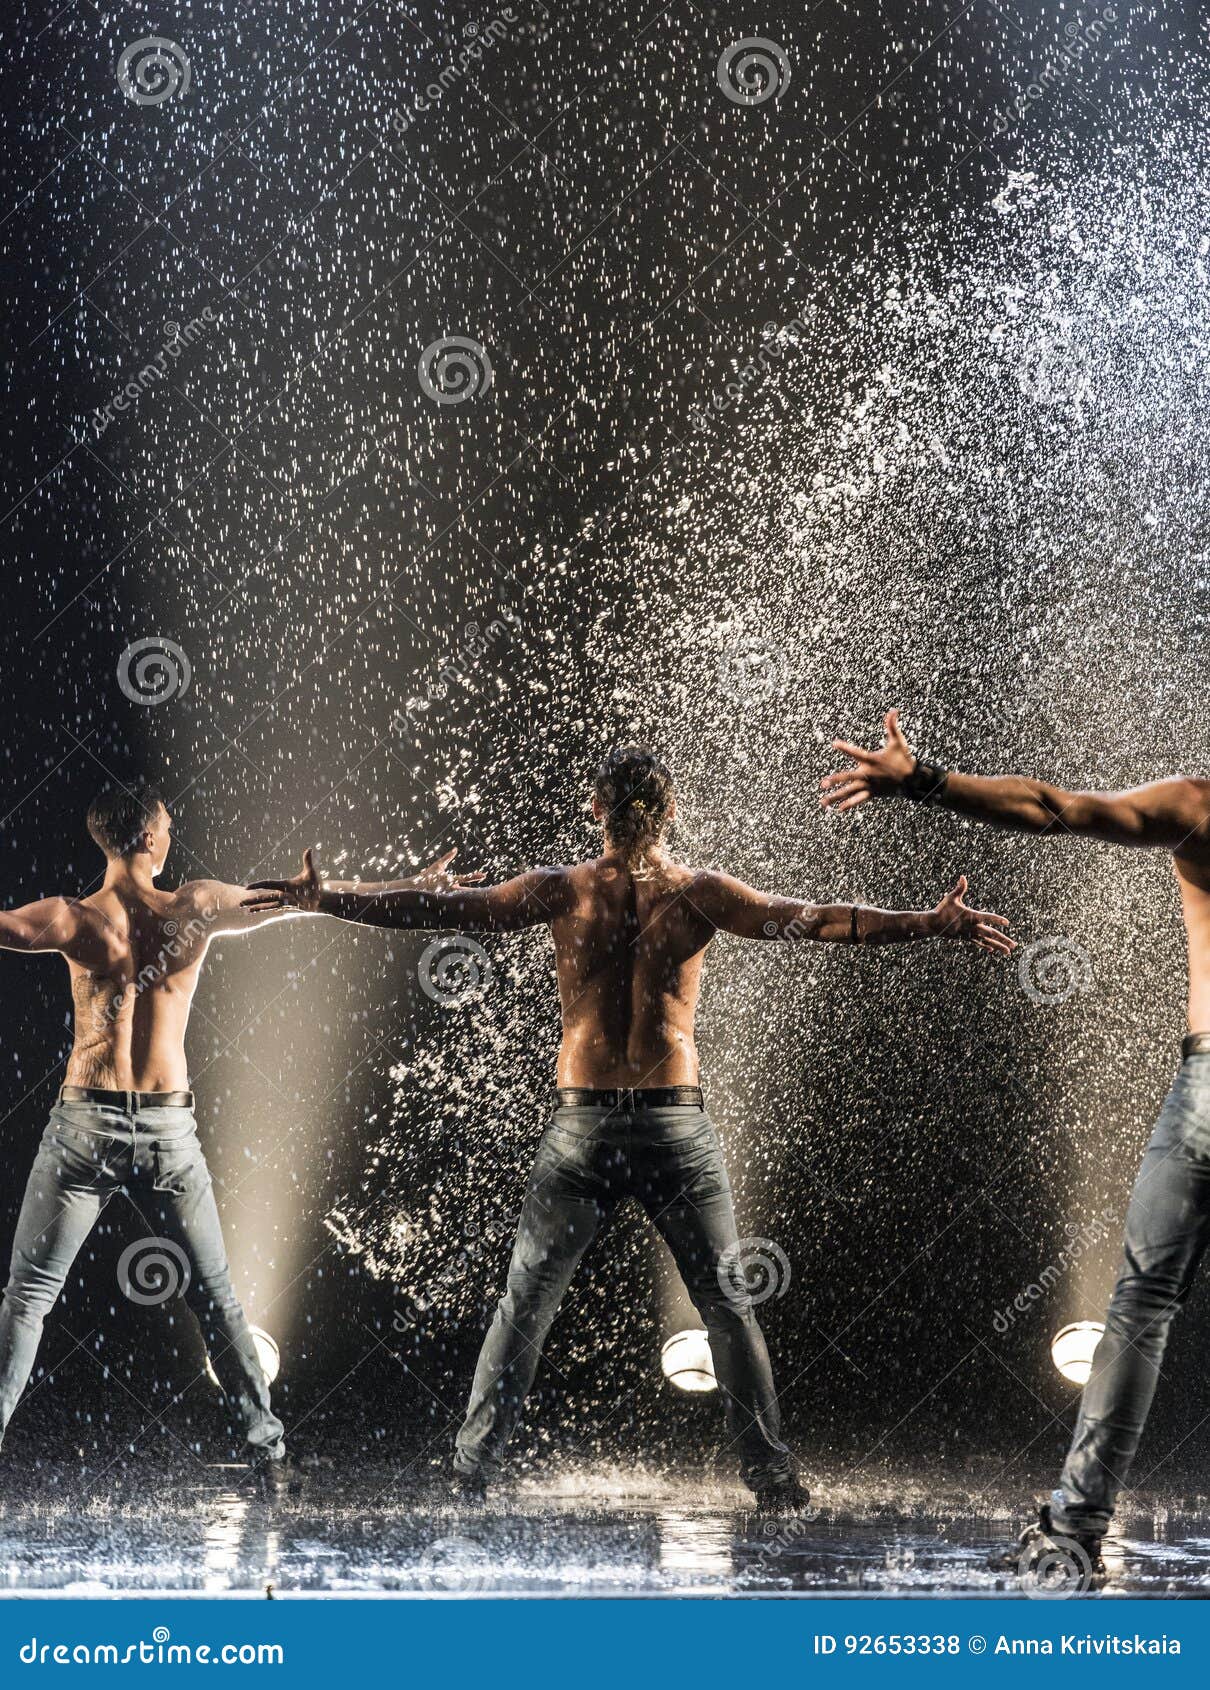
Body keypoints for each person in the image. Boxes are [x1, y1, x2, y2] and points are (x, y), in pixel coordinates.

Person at [245, 745, 1014, 1511]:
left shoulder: (563, 890)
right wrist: (932, 923)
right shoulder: (701, 893)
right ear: (672, 812)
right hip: (674, 1130)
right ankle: (772, 1477)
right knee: (725, 1306)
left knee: (525, 1304)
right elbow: (815, 923)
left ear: (594, 811)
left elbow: (441, 910)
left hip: (585, 1128)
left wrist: (330, 896)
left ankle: (472, 1469)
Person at [822, 708, 1210, 1585]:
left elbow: (1053, 806)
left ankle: (1073, 1534)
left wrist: (923, 780)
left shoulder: (1199, 806)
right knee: (1139, 1306)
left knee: (1142, 1306)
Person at [0, 779, 462, 1492]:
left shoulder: (71, 918)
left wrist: (384, 883)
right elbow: (307, 902)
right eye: (168, 827)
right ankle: (270, 1457)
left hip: (84, 1124)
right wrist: (411, 884)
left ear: (104, 840)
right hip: (163, 1130)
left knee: (28, 1298)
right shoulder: (195, 906)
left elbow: (3, 926)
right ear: (154, 838)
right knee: (215, 1299)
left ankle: (267, 1452)